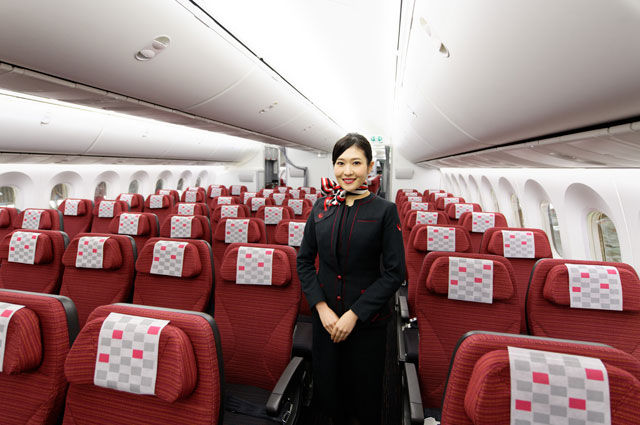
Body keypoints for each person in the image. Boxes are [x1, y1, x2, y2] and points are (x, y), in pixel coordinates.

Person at [297, 133, 405, 424]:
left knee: (364, 399)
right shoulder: (321, 207)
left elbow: (394, 273)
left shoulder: (385, 211)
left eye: (356, 163)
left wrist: (354, 314)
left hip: (366, 325)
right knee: (328, 395)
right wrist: (321, 308)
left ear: (369, 167)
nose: (347, 171)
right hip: (326, 322)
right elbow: (304, 262)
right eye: (341, 163)